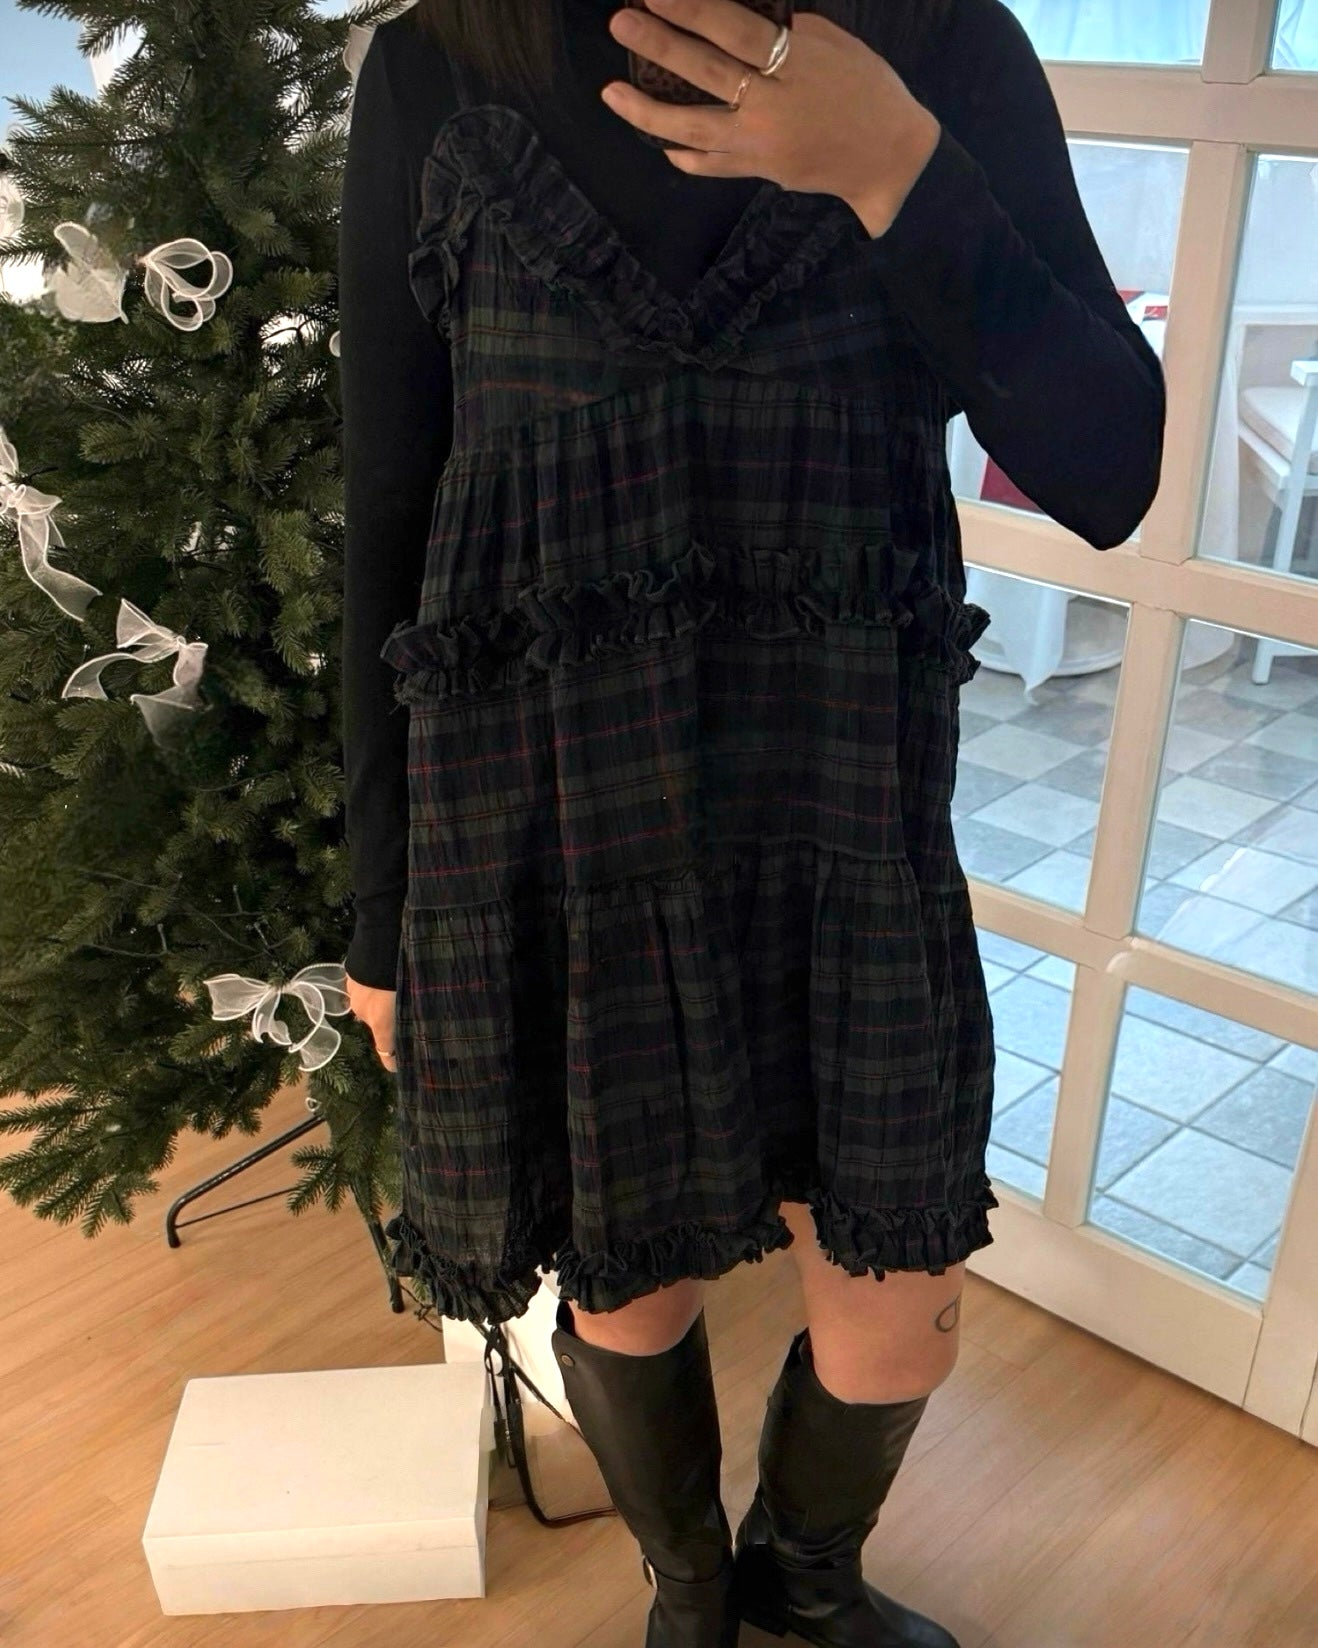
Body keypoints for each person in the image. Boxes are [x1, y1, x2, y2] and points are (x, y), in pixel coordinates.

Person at [337, 3, 1165, 1644]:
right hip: (553, 828)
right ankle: (691, 1594)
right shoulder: (442, 64)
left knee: (895, 1305)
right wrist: (381, 914)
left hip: (840, 822)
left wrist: (894, 165)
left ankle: (807, 1581)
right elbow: (389, 512)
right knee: (623, 1277)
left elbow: (1107, 470)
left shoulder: (939, 48)